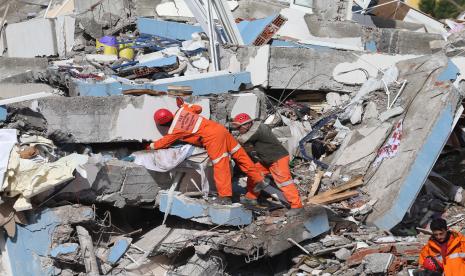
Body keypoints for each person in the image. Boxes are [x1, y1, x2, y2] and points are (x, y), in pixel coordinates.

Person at [147, 99, 267, 205]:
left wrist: (150, 146)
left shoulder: (174, 131)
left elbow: (163, 143)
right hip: (221, 130)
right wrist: (184, 104)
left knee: (221, 165)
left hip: (212, 139)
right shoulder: (183, 110)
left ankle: (225, 196)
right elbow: (198, 108)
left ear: (162, 124)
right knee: (240, 156)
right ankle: (259, 179)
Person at [232, 113, 303, 212]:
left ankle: (297, 206)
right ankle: (251, 198)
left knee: (284, 182)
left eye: (239, 128)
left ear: (246, 124)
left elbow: (241, 140)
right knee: (254, 174)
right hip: (266, 159)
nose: (238, 130)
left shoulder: (256, 129)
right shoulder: (256, 126)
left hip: (277, 158)